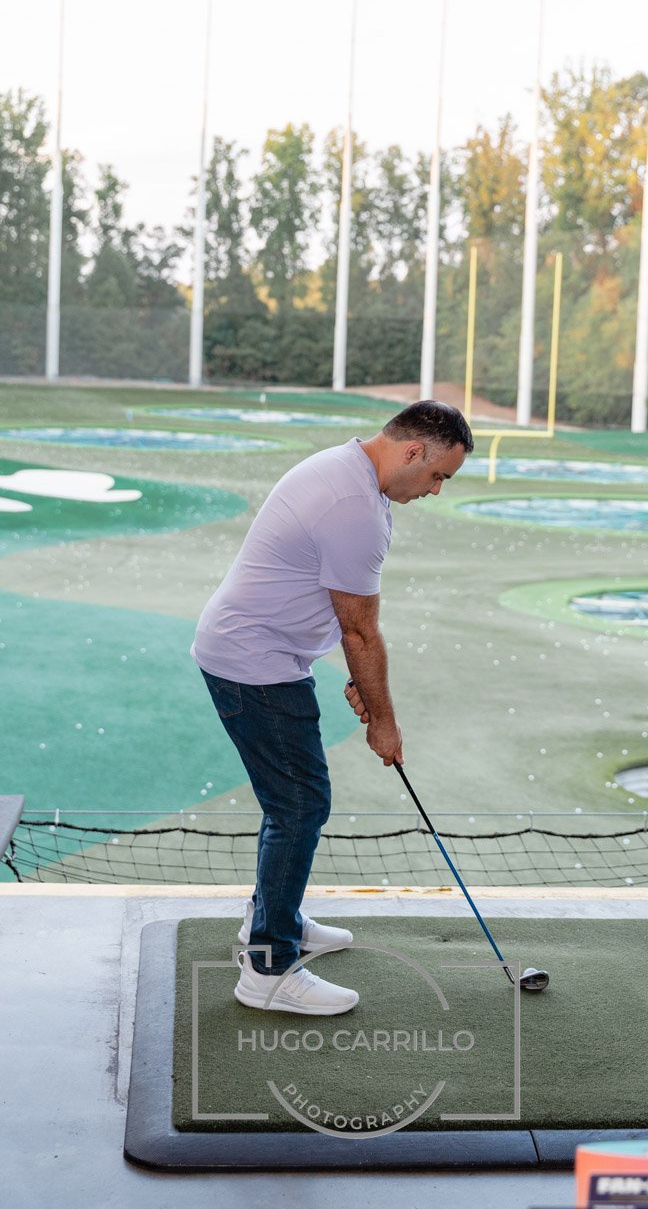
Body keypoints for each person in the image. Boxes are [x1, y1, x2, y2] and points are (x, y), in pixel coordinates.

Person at [191, 399, 473, 1015]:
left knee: (290, 802)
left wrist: (361, 684)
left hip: (259, 654)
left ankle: (275, 915)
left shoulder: (349, 472)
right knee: (299, 804)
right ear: (412, 451)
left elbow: (329, 609)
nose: (436, 489)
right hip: (253, 663)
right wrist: (385, 722)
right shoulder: (353, 507)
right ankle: (268, 966)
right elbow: (361, 633)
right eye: (437, 476)